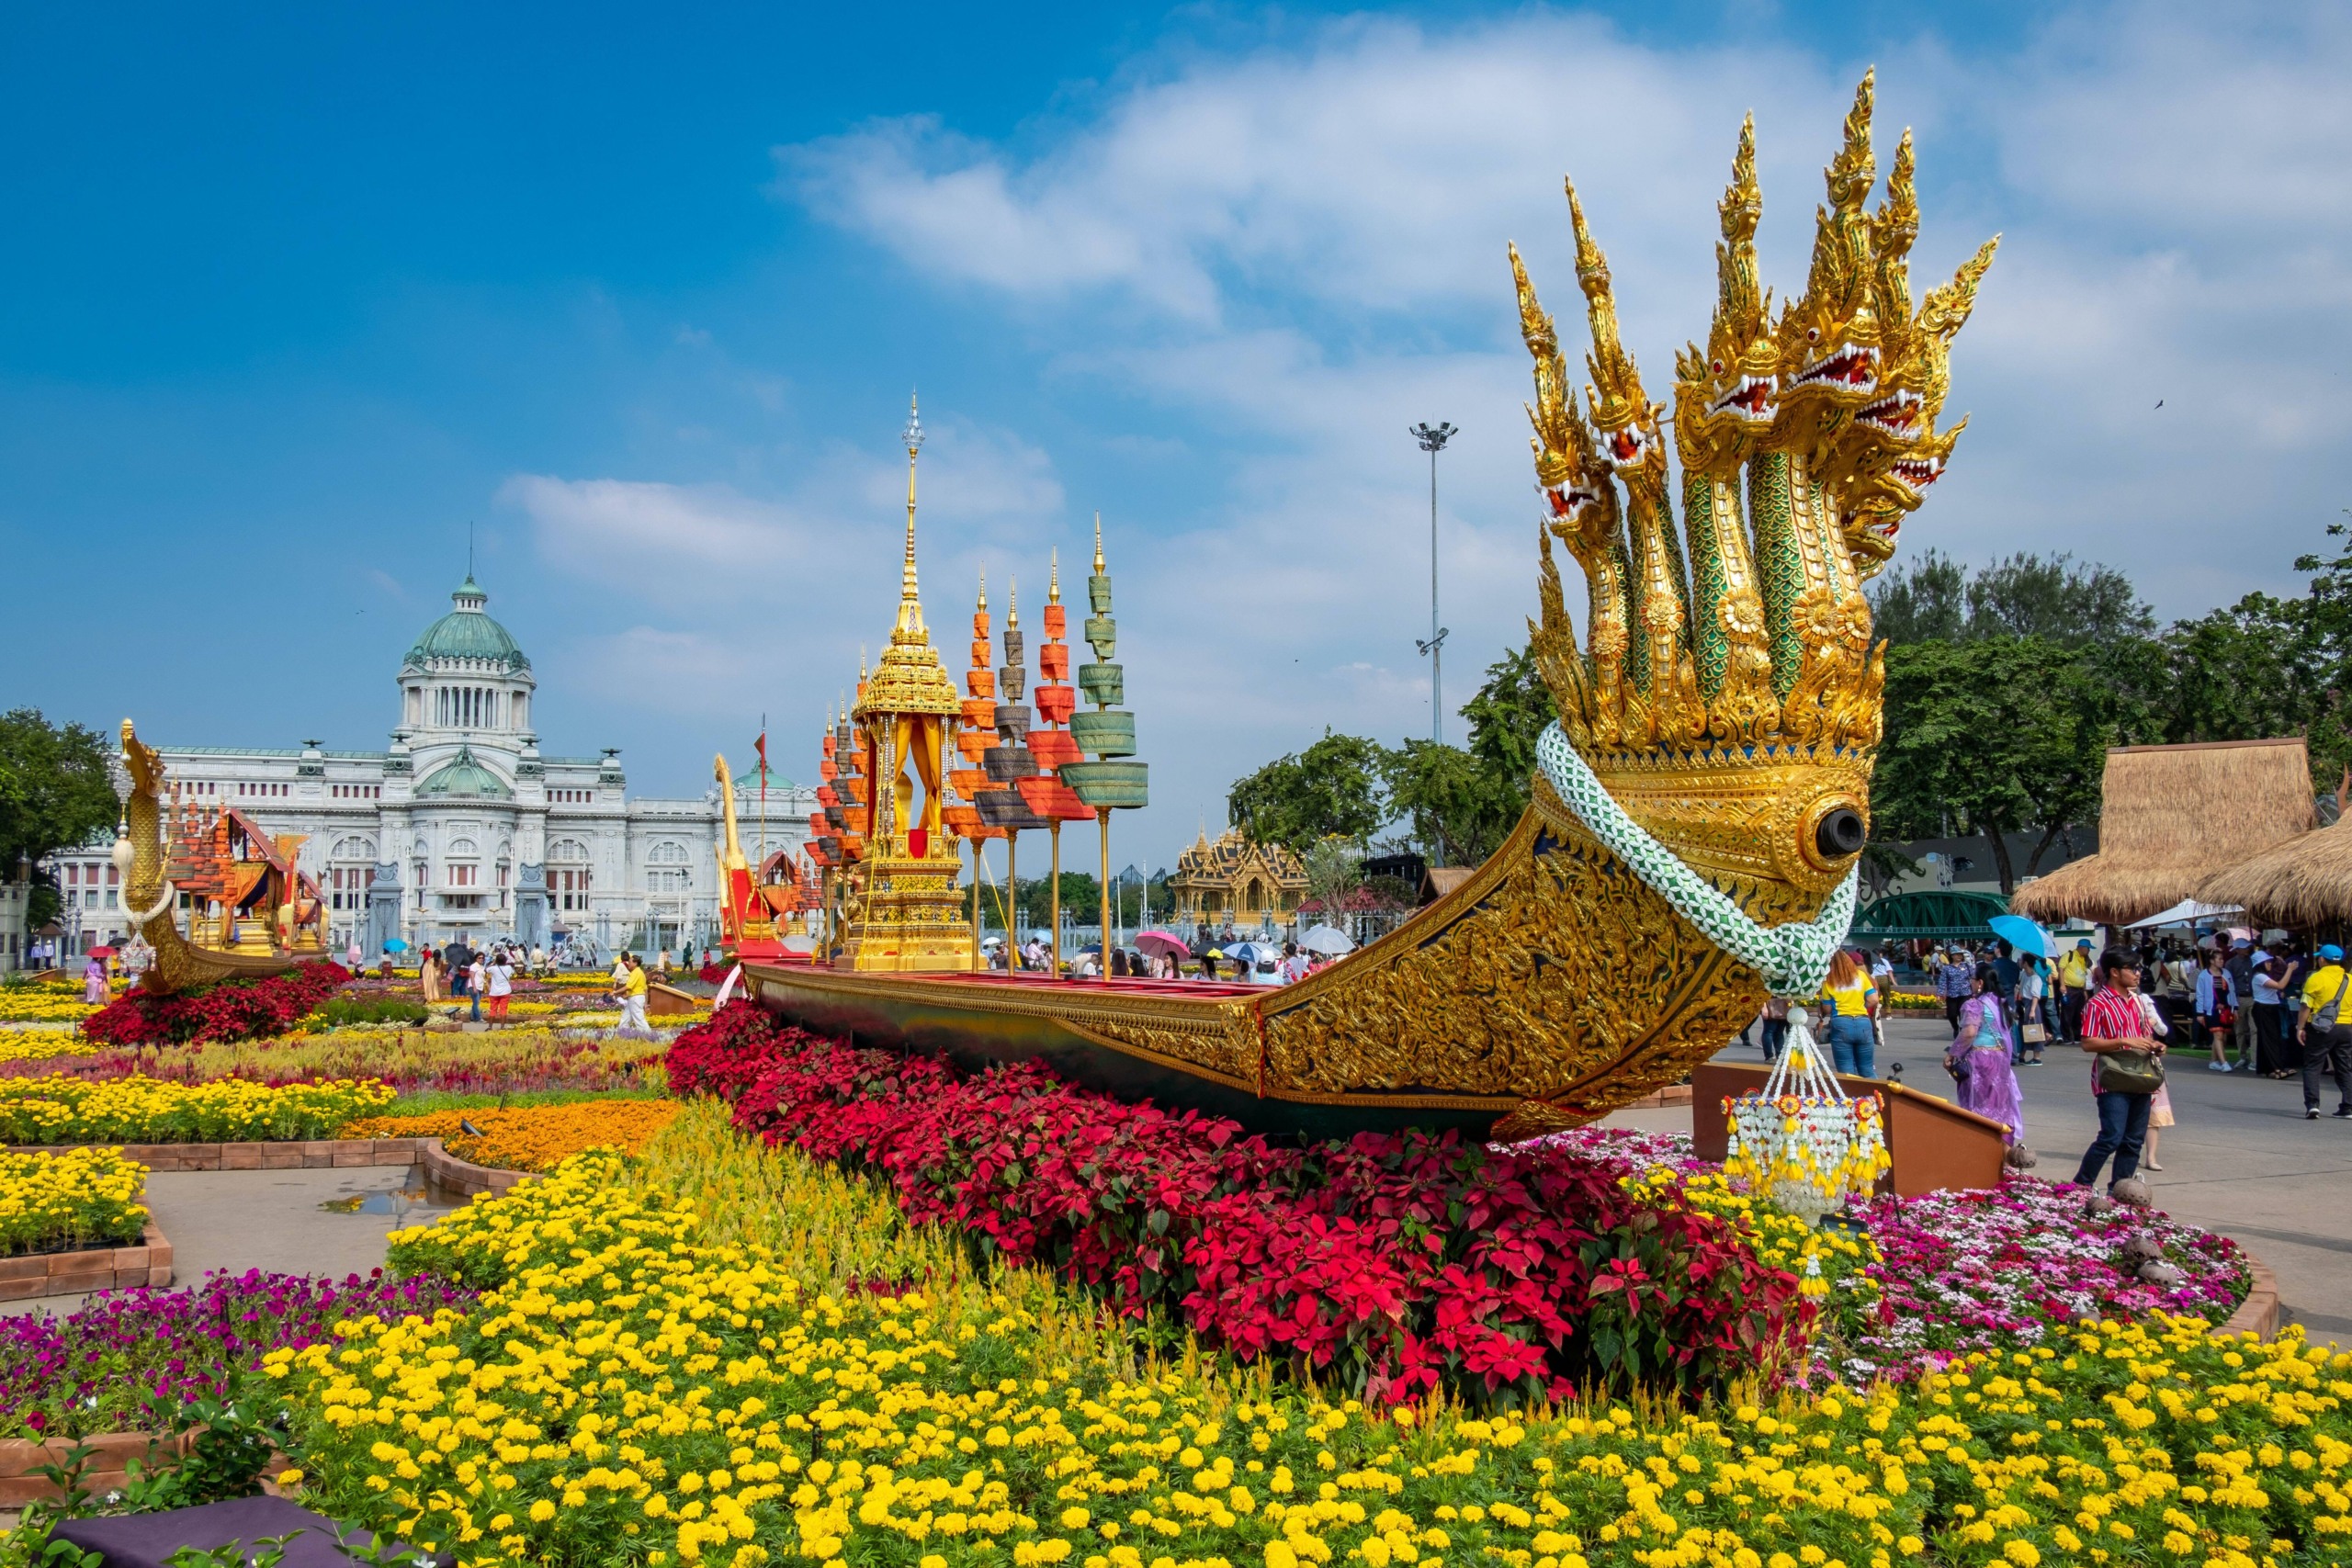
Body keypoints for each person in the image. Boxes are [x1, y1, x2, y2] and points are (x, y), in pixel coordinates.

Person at [2073, 947, 2166, 1192]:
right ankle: (2080, 1187)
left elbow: (2143, 1035)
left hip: (2141, 1076)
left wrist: (2154, 1044)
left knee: (2134, 1141)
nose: (2138, 974)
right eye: (2132, 969)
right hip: (2112, 1079)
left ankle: (2120, 1191)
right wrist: (2125, 1041)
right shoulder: (2098, 1004)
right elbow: (2088, 1043)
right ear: (2114, 972)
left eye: (2138, 968)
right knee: (2111, 1137)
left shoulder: (2136, 1001)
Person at [1946, 963, 2026, 1146]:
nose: (1971, 983)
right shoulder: (2001, 1003)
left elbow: (1969, 1032)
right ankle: (2003, 1152)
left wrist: (1952, 1054)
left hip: (1980, 1062)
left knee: (1979, 1107)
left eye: (1972, 979)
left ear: (1980, 982)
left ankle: (1980, 1149)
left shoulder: (1974, 1004)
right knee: (2000, 1107)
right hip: (2001, 1060)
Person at [2295, 942, 2352, 1120]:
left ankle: (2313, 1105)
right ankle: (2348, 1107)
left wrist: (2300, 1027)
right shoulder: (2349, 979)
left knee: (2313, 1066)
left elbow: (2306, 1006)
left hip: (2321, 1028)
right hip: (2347, 1028)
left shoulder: (2315, 978)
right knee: (2345, 1067)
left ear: (2322, 960)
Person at [1815, 949, 1879, 1078]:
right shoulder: (1861, 976)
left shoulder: (1828, 981)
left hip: (1841, 1023)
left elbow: (1827, 1009)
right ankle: (1877, 1097)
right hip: (1863, 1022)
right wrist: (1860, 1007)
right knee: (1867, 1070)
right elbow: (1873, 999)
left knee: (1846, 1072)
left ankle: (1852, 1098)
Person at [2251, 944, 2297, 1077]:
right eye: (2267, 962)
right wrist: (2290, 969)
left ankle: (2271, 1068)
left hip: (2270, 1007)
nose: (2270, 964)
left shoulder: (2264, 976)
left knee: (2273, 1038)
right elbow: (2280, 985)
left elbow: (2276, 988)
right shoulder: (2259, 976)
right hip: (2264, 1008)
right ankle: (2277, 1068)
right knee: (2270, 1039)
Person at [2197, 949, 2236, 1066]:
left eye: (2222, 959)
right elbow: (2200, 994)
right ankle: (2224, 1063)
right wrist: (2199, 1013)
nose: (2222, 961)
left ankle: (2213, 1061)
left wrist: (2235, 1007)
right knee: (2218, 1034)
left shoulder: (2226, 973)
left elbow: (2232, 990)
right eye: (2219, 959)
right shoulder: (2203, 975)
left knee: (2222, 1037)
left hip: (2226, 1009)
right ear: (2212, 961)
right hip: (2212, 1010)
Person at [2014, 953, 2050, 1066]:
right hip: (2023, 1003)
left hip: (2031, 1004)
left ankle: (2037, 1057)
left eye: (2021, 960)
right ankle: (2022, 1056)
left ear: (2025, 963)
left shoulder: (2035, 978)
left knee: (2034, 1030)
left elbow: (2035, 996)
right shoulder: (2024, 974)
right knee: (2023, 1030)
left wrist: (2033, 1010)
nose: (2019, 962)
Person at [2057, 939, 2094, 1041]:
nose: (2089, 951)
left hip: (2080, 990)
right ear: (2081, 947)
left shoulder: (2085, 959)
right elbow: (2061, 969)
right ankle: (2067, 1037)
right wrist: (2062, 985)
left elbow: (2084, 974)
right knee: (2067, 1013)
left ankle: (2077, 1036)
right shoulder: (2069, 956)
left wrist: (2085, 990)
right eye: (2088, 948)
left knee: (2079, 1013)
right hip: (2069, 988)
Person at [1935, 947, 1975, 1035]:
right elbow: (1942, 981)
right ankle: (1955, 1027)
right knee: (1952, 1014)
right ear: (1952, 956)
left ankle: (1962, 1031)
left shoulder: (1967, 966)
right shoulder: (1947, 968)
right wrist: (1939, 993)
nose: (1959, 956)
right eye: (1957, 954)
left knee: (1963, 1013)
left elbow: (1974, 977)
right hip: (1952, 994)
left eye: (1960, 954)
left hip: (1965, 994)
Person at [616, 953, 650, 1034]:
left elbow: (628, 986)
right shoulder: (639, 973)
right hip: (634, 998)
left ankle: (649, 1035)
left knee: (639, 1019)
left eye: (630, 962)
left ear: (635, 963)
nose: (628, 963)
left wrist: (615, 992)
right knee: (625, 1018)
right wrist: (645, 1003)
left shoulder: (636, 972)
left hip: (636, 998)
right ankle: (622, 1033)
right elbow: (645, 990)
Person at [1758, 995, 1790, 1062]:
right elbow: (1764, 992)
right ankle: (1769, 1056)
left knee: (1778, 1032)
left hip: (1783, 1005)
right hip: (1772, 1004)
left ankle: (1778, 1056)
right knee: (1769, 1031)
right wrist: (1764, 1007)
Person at [485, 950, 514, 1021]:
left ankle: (490, 1026)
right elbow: (512, 973)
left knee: (493, 1009)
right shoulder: (509, 968)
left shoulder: (493, 968)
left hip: (494, 992)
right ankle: (502, 1026)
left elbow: (486, 969)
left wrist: (493, 963)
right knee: (503, 1009)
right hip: (505, 991)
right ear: (505, 961)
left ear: (496, 960)